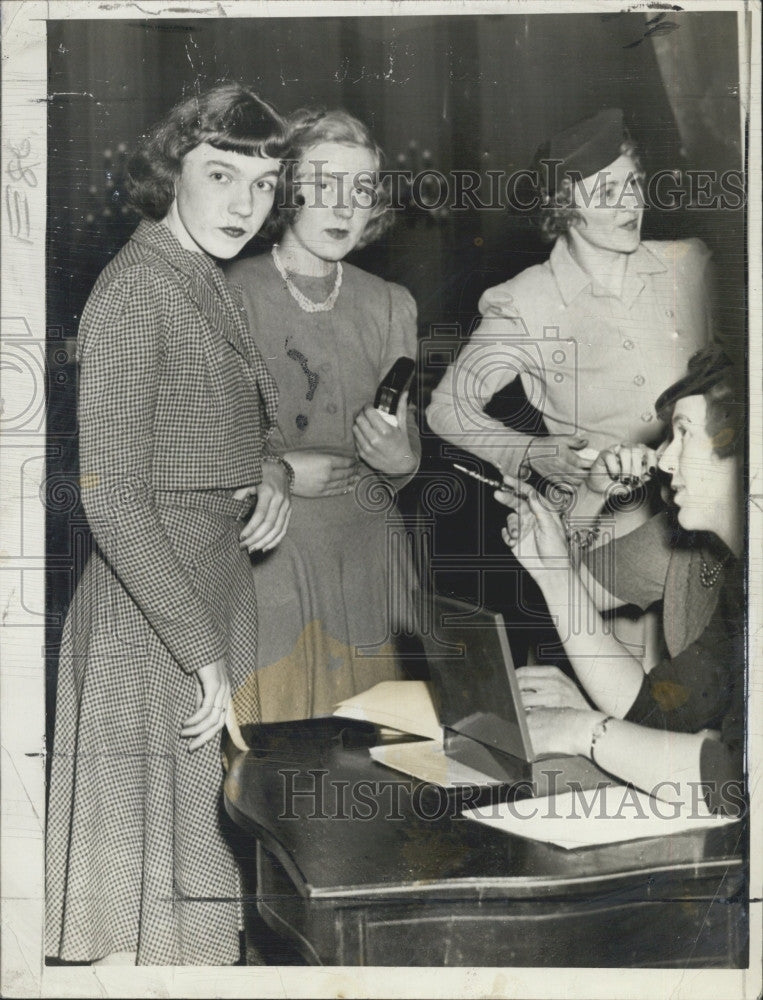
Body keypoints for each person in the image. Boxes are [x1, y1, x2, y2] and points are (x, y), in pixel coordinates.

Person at [45, 84, 293, 967]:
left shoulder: (198, 276)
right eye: (220, 174)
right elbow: (109, 494)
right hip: (151, 625)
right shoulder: (135, 291)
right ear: (170, 172)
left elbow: (232, 423)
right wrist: (200, 649)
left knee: (190, 874)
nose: (244, 204)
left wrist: (265, 476)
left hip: (201, 596)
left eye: (263, 185)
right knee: (142, 911)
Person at [426, 107, 715, 665]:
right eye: (606, 190)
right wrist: (532, 451)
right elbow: (447, 409)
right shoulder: (529, 302)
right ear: (563, 206)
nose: (631, 203)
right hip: (604, 546)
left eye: (633, 183)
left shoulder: (691, 267)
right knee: (623, 712)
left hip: (702, 535)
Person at [225, 108, 420, 721]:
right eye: (325, 186)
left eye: (361, 190)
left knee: (380, 764)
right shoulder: (228, 291)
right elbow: (187, 446)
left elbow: (404, 458)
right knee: (272, 765)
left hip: (372, 569)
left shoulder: (391, 304)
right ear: (287, 190)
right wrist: (275, 466)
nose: (344, 209)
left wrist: (401, 458)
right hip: (271, 561)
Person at [497, 348, 745, 814]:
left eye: (684, 435)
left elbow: (734, 780)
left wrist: (580, 729)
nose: (665, 461)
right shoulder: (738, 580)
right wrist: (552, 570)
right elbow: (657, 710)